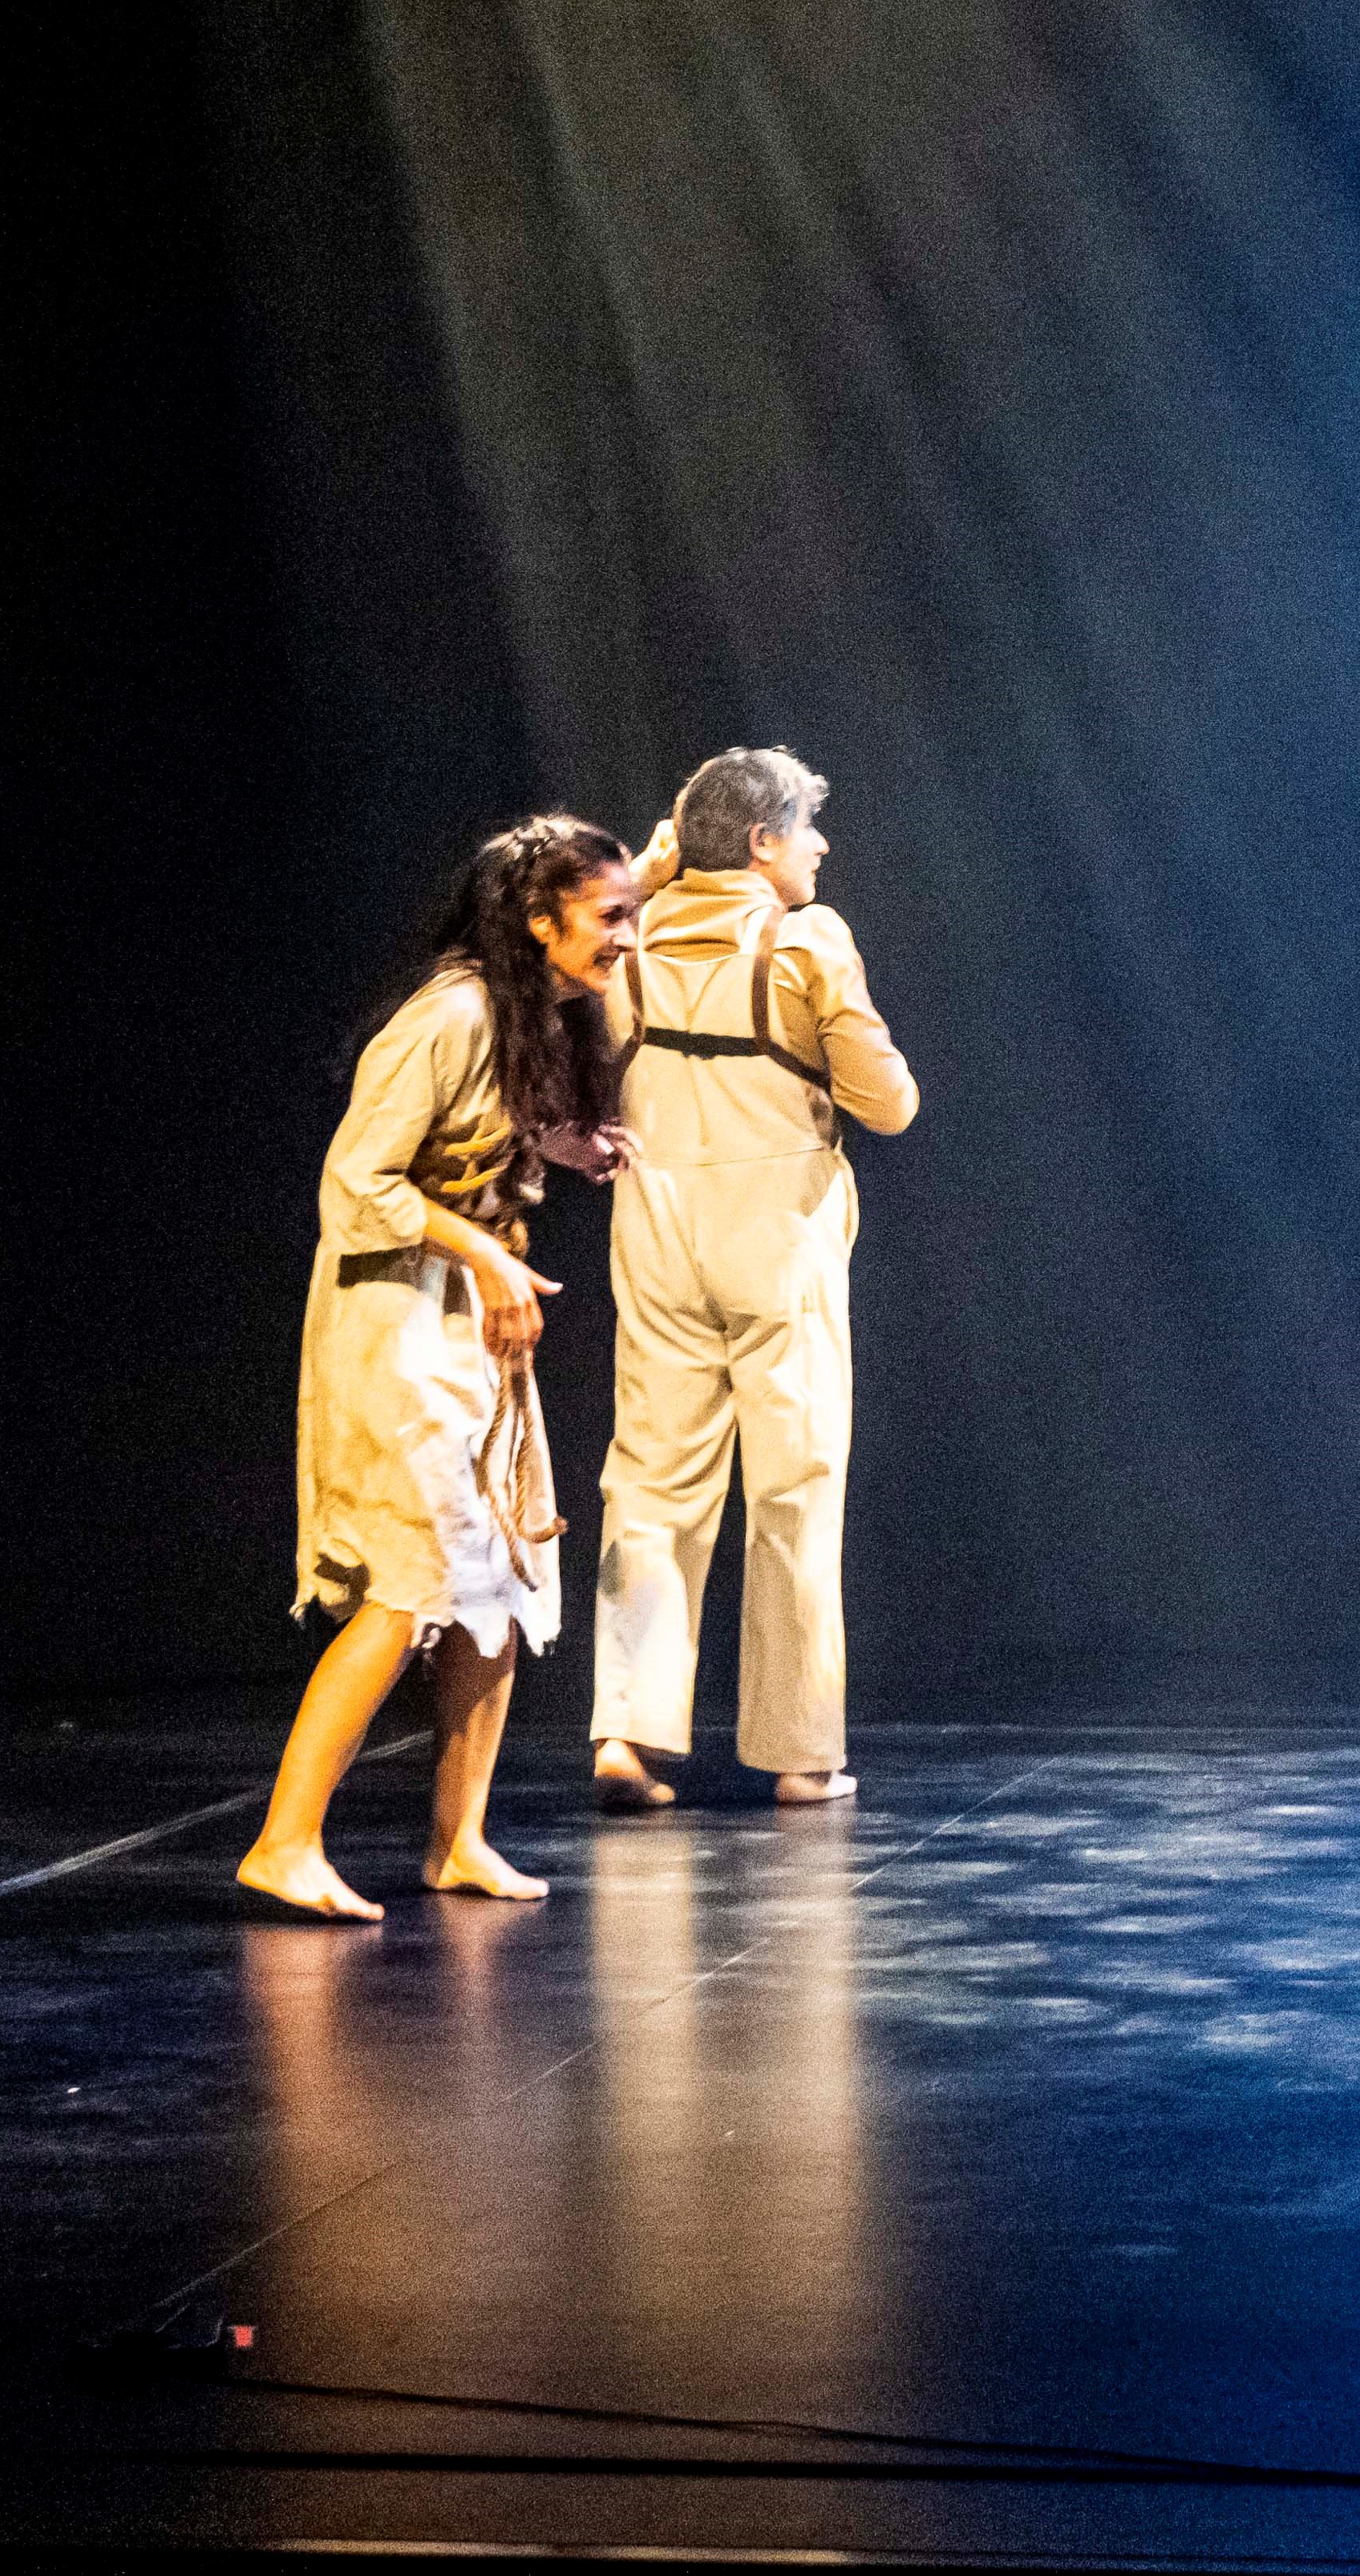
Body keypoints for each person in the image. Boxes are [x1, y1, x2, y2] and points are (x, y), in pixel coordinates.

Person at [240, 814, 639, 1915]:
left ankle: (456, 1840)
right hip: (393, 1318)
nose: (624, 941)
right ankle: (285, 1840)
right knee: (413, 1582)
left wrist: (560, 1145)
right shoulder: (452, 1013)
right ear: (538, 917)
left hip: (467, 1318)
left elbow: (467, 1143)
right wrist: (479, 1251)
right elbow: (356, 1183)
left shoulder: (523, 1018)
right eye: (609, 918)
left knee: (497, 1585)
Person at [587, 749, 921, 1817]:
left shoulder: (623, 944)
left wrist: (647, 875)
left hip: (655, 1229)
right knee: (792, 1489)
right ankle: (798, 1751)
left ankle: (628, 1735)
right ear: (765, 845)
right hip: (774, 1238)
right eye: (806, 829)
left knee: (648, 1483)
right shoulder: (802, 939)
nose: (821, 847)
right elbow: (890, 1104)